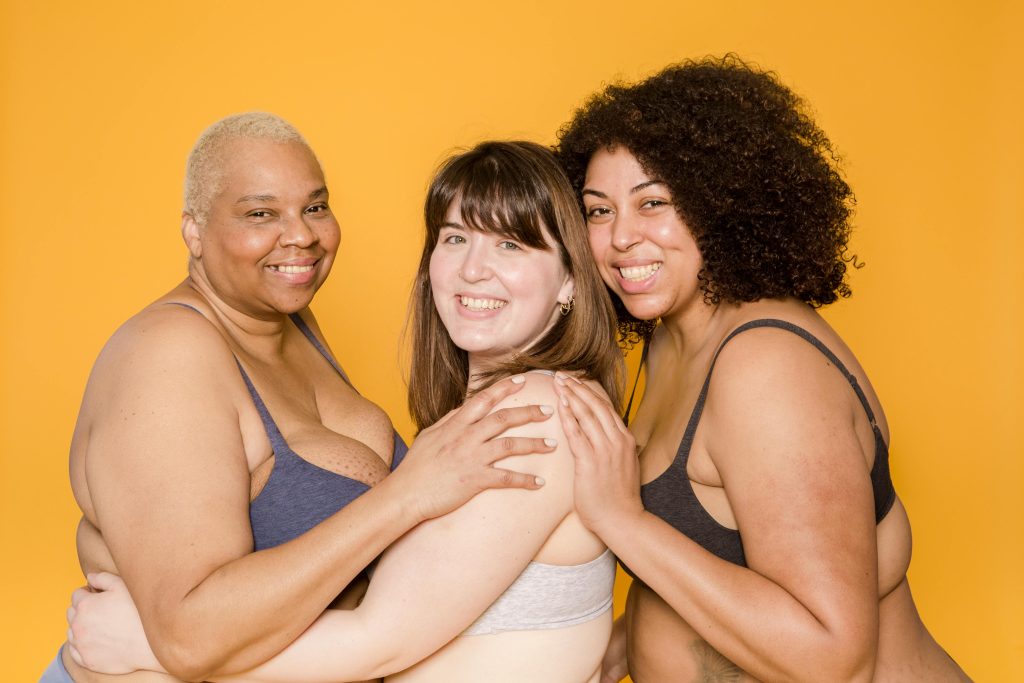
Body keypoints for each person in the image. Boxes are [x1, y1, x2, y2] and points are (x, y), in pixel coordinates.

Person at [65, 141, 625, 683]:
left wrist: (150, 645)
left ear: (571, 278)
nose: (474, 270)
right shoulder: (482, 416)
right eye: (455, 238)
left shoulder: (539, 412)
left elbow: (376, 638)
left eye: (511, 245)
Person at [551, 55, 971, 682]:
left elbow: (833, 657)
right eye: (598, 210)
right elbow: (715, 563)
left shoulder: (766, 367)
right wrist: (619, 646)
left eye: (654, 202)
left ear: (722, 204)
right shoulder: (673, 339)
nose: (620, 239)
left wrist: (622, 522)